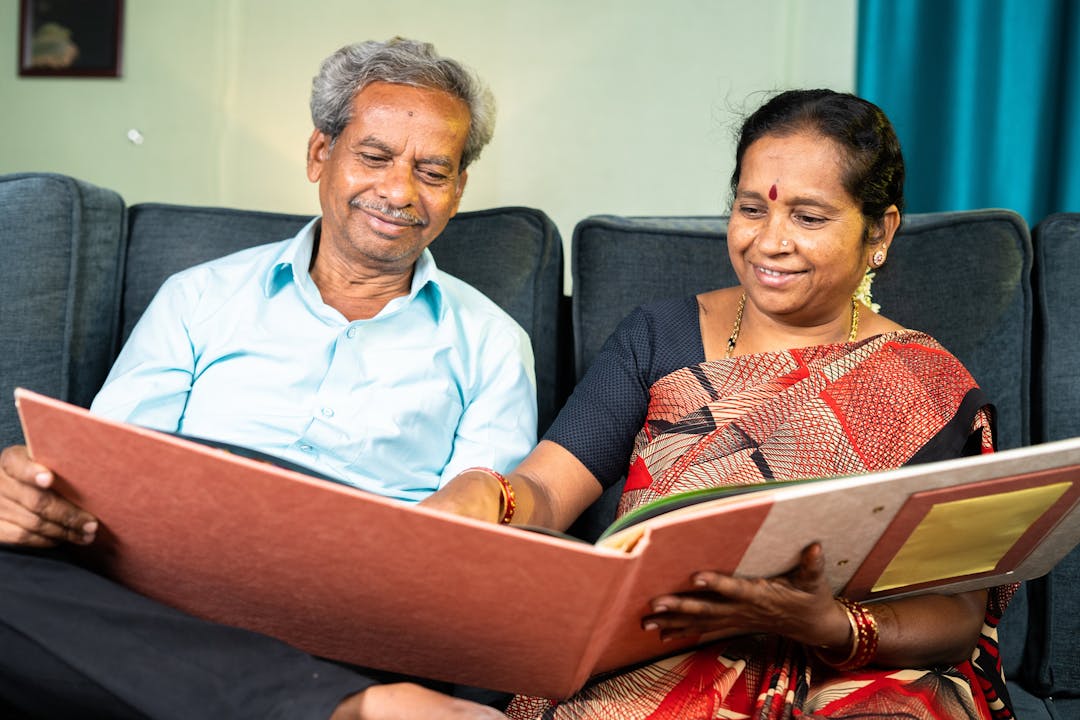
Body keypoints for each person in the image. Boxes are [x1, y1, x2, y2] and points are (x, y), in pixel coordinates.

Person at [428, 89, 1017, 719]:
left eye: (809, 217)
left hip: (861, 664)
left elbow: (957, 615)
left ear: (880, 230)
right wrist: (489, 495)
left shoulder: (928, 382)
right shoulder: (657, 336)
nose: (770, 242)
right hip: (664, 650)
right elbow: (546, 490)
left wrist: (829, 624)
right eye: (750, 209)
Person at [0, 37, 535, 720]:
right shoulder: (197, 297)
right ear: (321, 154)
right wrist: (32, 493)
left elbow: (472, 549)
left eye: (433, 172)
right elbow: (111, 475)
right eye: (374, 157)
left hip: (358, 612)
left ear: (458, 191)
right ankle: (351, 709)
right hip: (165, 587)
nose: (399, 191)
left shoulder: (493, 343)